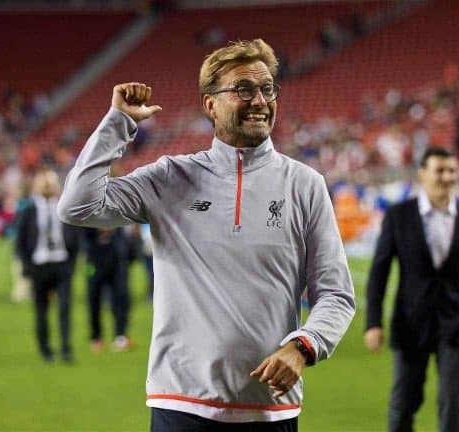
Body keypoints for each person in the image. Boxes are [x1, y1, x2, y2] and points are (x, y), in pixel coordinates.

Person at [58, 39, 355, 431]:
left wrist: (303, 346)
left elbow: (336, 293)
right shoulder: (170, 177)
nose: (260, 100)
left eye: (267, 89)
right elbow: (77, 206)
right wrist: (118, 123)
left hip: (269, 409)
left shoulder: (305, 185)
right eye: (244, 89)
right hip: (180, 404)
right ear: (210, 105)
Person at [365, 147, 459, 432]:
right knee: (404, 404)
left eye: (452, 171)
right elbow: (379, 271)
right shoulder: (398, 217)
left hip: (455, 324)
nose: (446, 177)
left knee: (453, 404)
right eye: (439, 170)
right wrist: (373, 323)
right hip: (410, 323)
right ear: (422, 174)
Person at [16, 170, 80, 363]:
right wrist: (28, 267)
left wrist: (71, 264)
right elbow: (21, 241)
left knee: (65, 308)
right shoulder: (29, 209)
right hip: (40, 266)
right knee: (41, 309)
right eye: (43, 183)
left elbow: (74, 237)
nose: (46, 187)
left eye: (49, 183)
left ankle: (66, 349)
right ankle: (45, 349)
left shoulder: (63, 207)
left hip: (61, 264)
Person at [83, 227, 132, 352]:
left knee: (121, 299)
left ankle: (120, 335)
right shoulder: (90, 217)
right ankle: (96, 337)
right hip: (93, 263)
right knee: (93, 300)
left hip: (116, 261)